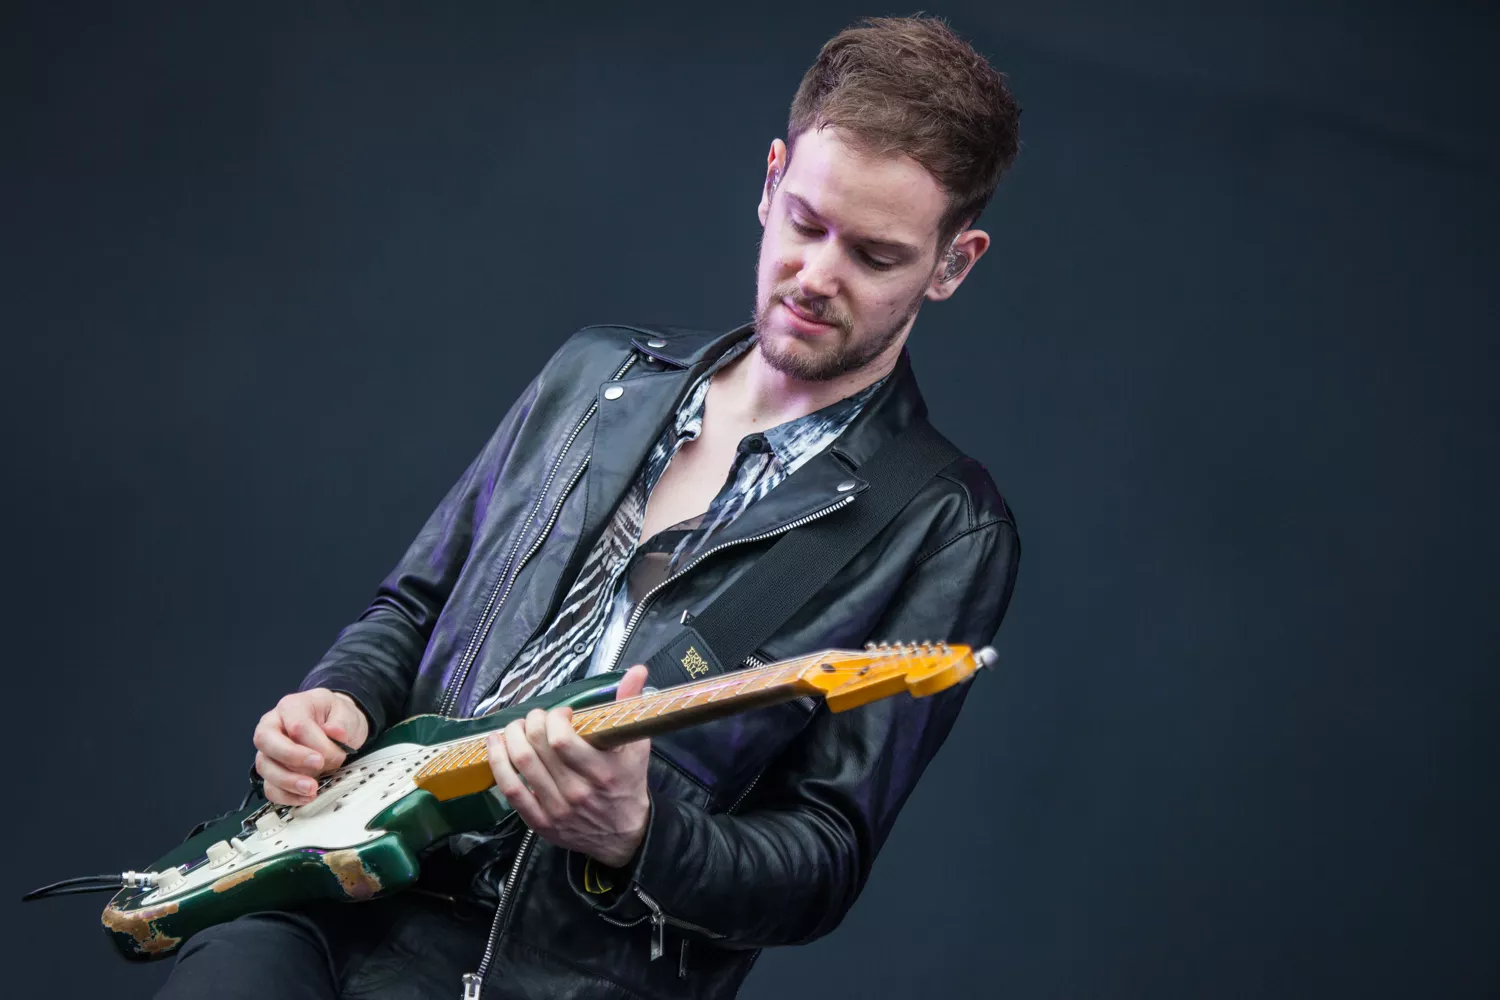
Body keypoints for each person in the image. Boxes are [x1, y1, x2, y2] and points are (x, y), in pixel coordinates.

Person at [157, 15, 1022, 1000]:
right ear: (771, 179)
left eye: (874, 256)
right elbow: (412, 607)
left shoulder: (942, 526)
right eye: (806, 223)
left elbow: (823, 857)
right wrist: (337, 702)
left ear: (953, 263)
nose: (818, 275)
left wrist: (638, 834)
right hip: (322, 890)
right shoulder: (597, 371)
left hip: (535, 972)